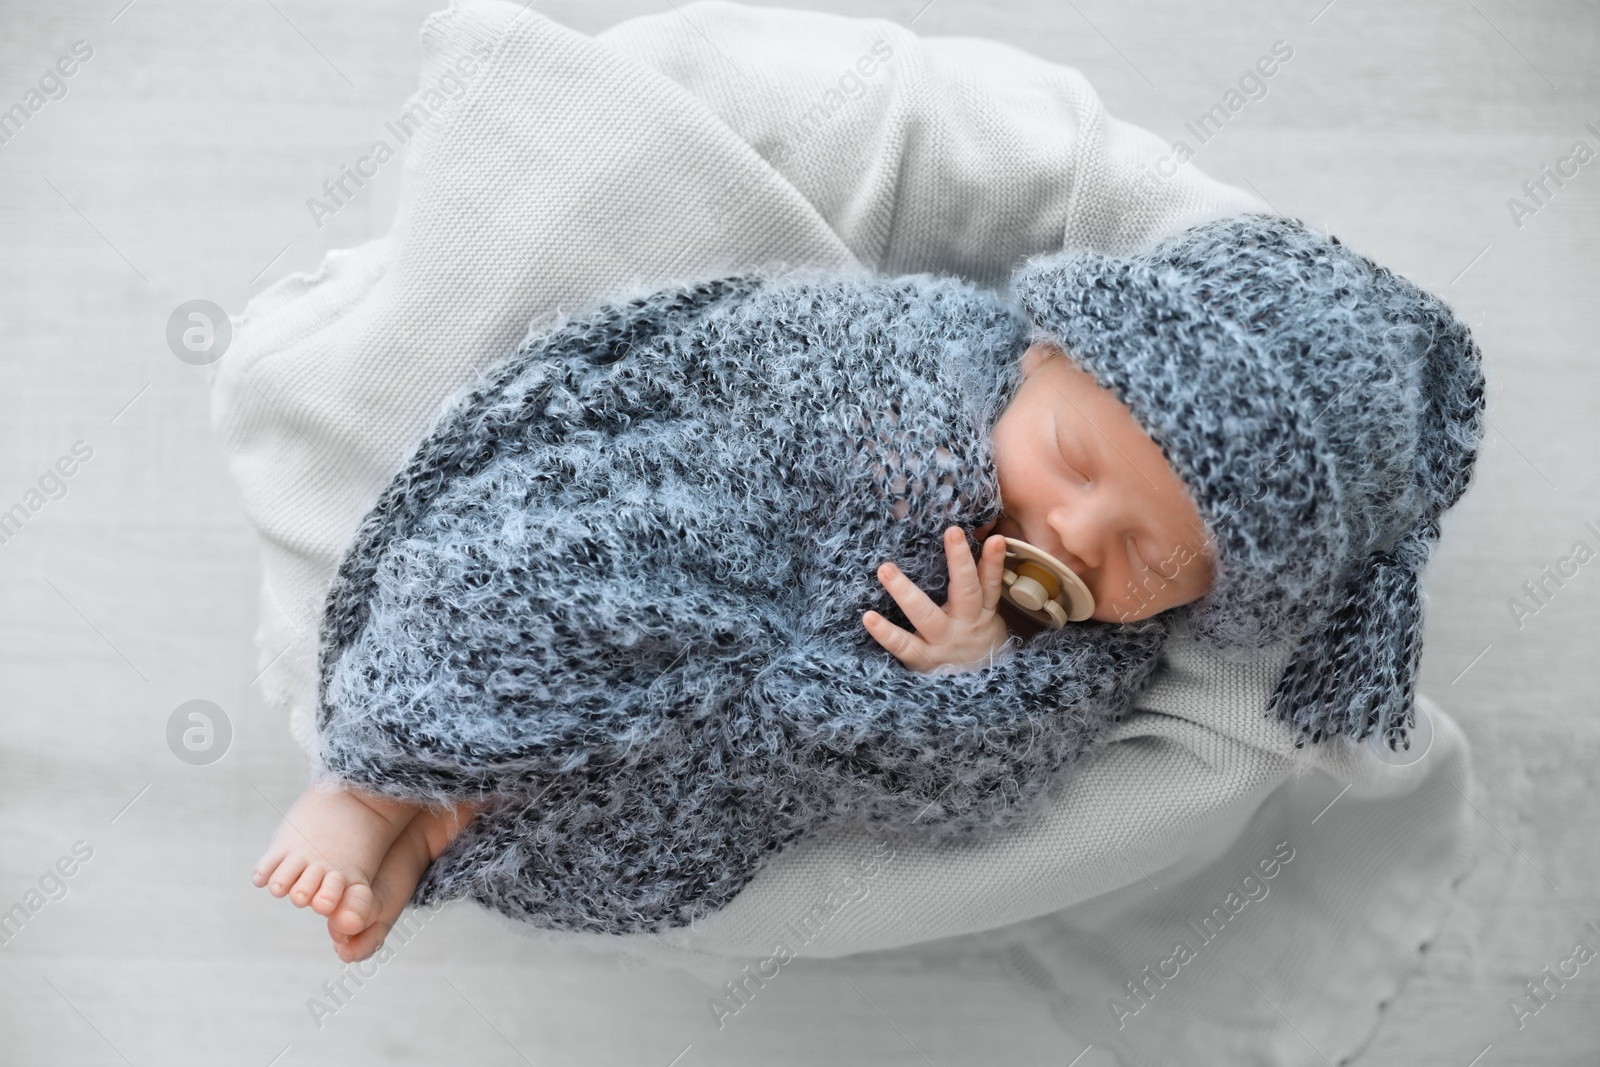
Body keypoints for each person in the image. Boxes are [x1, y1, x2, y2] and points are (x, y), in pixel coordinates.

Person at [251, 212, 1485, 965]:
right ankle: (376, 778)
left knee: (684, 789)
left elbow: (972, 786)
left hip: (763, 728)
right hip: (700, 518)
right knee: (527, 578)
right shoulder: (918, 352)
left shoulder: (1092, 660)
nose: (1074, 529)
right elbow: (760, 359)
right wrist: (885, 483)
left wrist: (963, 677)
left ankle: (450, 827)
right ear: (1044, 352)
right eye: (1071, 457)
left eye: (1149, 562)